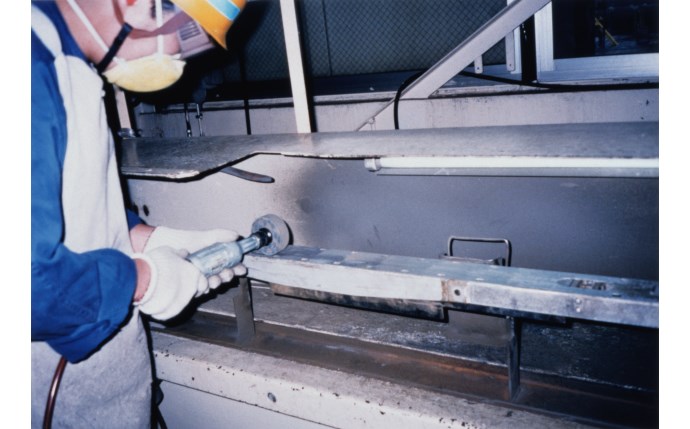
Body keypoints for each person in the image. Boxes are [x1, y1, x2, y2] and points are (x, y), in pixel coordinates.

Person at [31, 0, 246, 427]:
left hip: (96, 390)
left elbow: (72, 207)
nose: (179, 63)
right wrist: (145, 279)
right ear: (136, 4)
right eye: (185, 37)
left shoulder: (69, 61)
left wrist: (151, 239)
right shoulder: (26, 67)